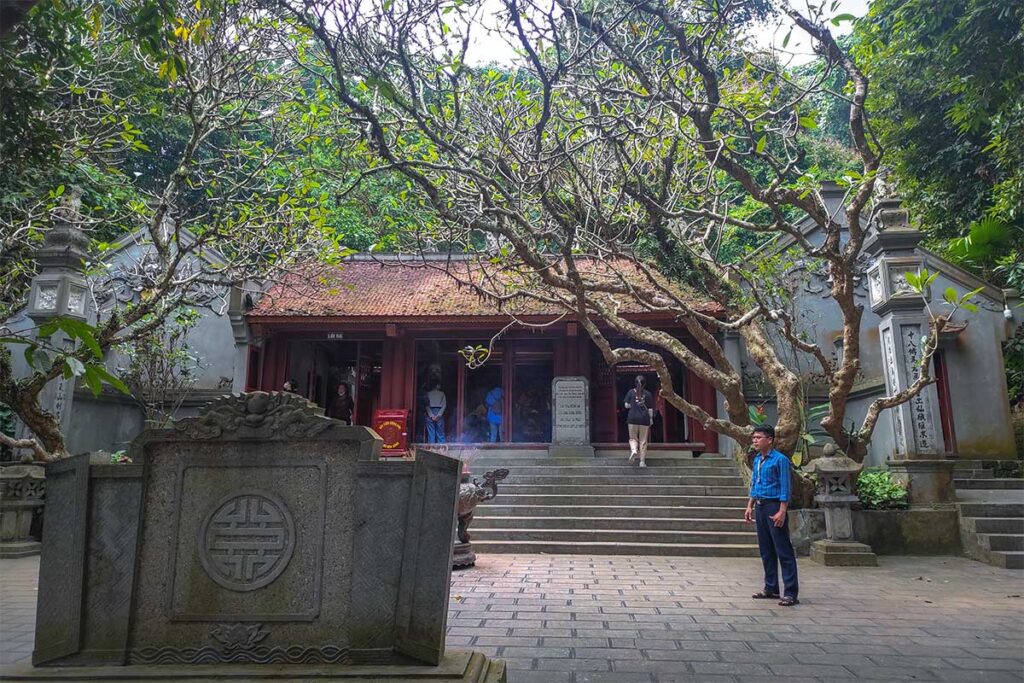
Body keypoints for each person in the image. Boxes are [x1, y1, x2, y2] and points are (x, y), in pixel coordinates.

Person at [744, 424, 799, 607]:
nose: (755, 441)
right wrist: (750, 505)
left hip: (774, 505)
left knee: (783, 550)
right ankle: (771, 587)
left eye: (758, 438)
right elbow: (754, 483)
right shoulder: (757, 460)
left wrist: (782, 511)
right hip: (760, 505)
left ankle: (791, 592)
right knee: (766, 550)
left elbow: (785, 486)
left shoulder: (780, 460)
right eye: (753, 438)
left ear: (770, 439)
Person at [624, 375, 654, 467]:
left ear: (635, 383)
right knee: (643, 441)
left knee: (633, 438)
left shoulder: (630, 392)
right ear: (645, 384)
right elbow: (650, 409)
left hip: (632, 418)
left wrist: (633, 405)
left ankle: (633, 450)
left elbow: (626, 405)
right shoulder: (648, 394)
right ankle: (642, 462)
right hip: (644, 419)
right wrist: (651, 419)